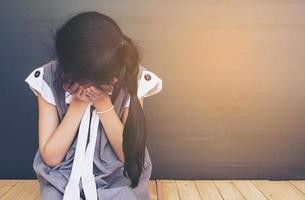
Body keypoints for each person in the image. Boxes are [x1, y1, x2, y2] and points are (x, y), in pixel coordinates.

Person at [24, 11, 163, 200]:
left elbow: (128, 156)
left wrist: (103, 103)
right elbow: (50, 157)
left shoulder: (131, 77)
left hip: (117, 177)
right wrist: (78, 105)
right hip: (63, 177)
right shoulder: (49, 77)